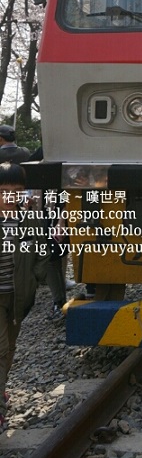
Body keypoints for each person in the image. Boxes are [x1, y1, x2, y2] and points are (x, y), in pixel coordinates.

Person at [0, 162, 50, 431]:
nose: (10, 196)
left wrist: (35, 281)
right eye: (3, 190)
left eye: (16, 191)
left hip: (18, 297)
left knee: (9, 349)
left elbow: (42, 252)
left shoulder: (30, 219)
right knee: (0, 348)